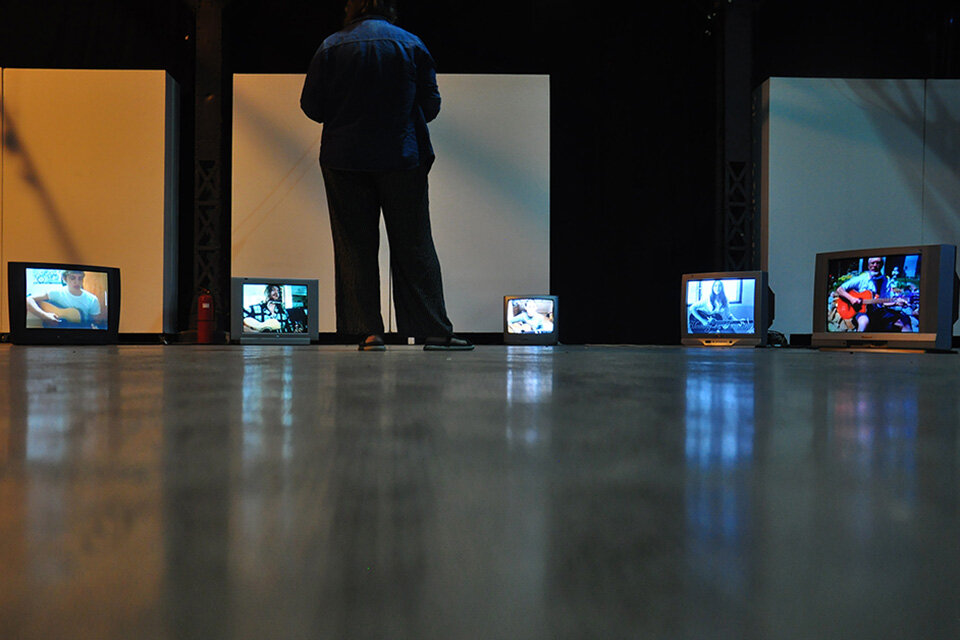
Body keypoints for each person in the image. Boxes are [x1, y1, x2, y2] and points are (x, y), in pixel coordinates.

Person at [300, 0, 473, 352]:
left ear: (351, 7)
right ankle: (434, 332)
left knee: (354, 246)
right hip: (402, 157)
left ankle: (368, 333)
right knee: (414, 243)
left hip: (344, 159)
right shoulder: (411, 43)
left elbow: (311, 106)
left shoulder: (331, 46)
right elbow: (431, 105)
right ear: (389, 8)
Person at [835, 257, 912, 332]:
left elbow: (884, 301)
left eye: (878, 263)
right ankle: (857, 342)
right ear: (869, 266)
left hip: (877, 311)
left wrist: (896, 302)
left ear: (882, 265)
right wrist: (852, 299)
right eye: (872, 263)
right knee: (864, 322)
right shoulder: (861, 278)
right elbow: (839, 289)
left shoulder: (885, 281)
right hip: (861, 310)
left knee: (903, 321)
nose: (875, 265)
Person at [26, 270, 103, 328]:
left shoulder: (92, 299)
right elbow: (28, 299)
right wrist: (45, 316)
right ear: (64, 279)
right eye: (72, 278)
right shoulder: (55, 293)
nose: (77, 282)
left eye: (80, 279)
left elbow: (96, 322)